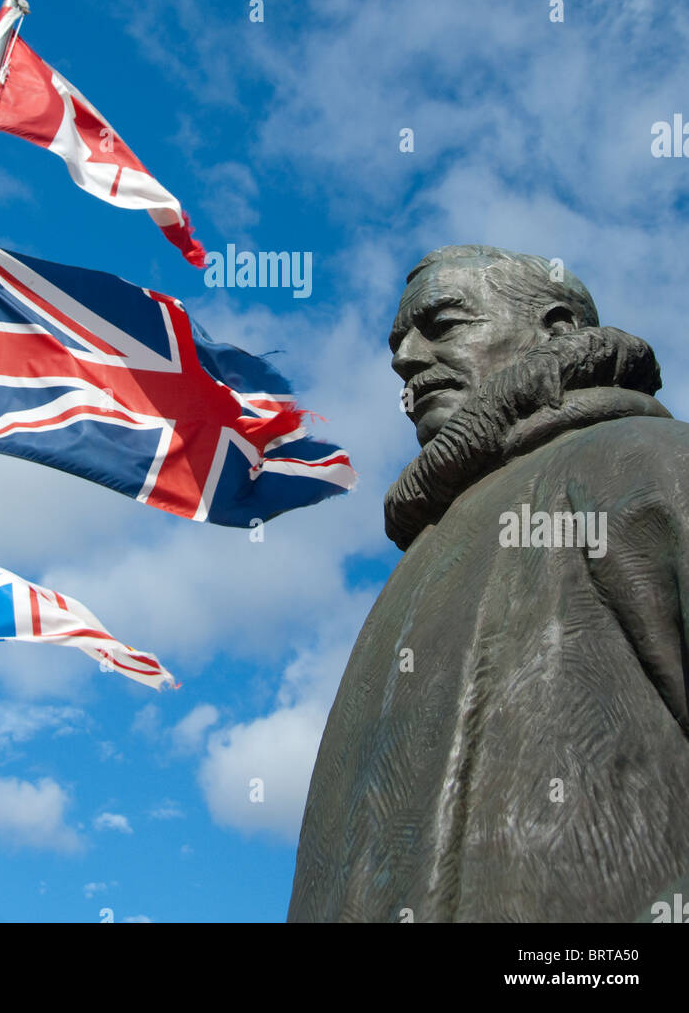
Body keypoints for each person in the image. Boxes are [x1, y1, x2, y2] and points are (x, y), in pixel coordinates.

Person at [288, 245, 689, 923]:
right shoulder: (418, 565)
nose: (406, 358)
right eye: (399, 341)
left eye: (442, 324)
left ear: (558, 331)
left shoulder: (649, 464)